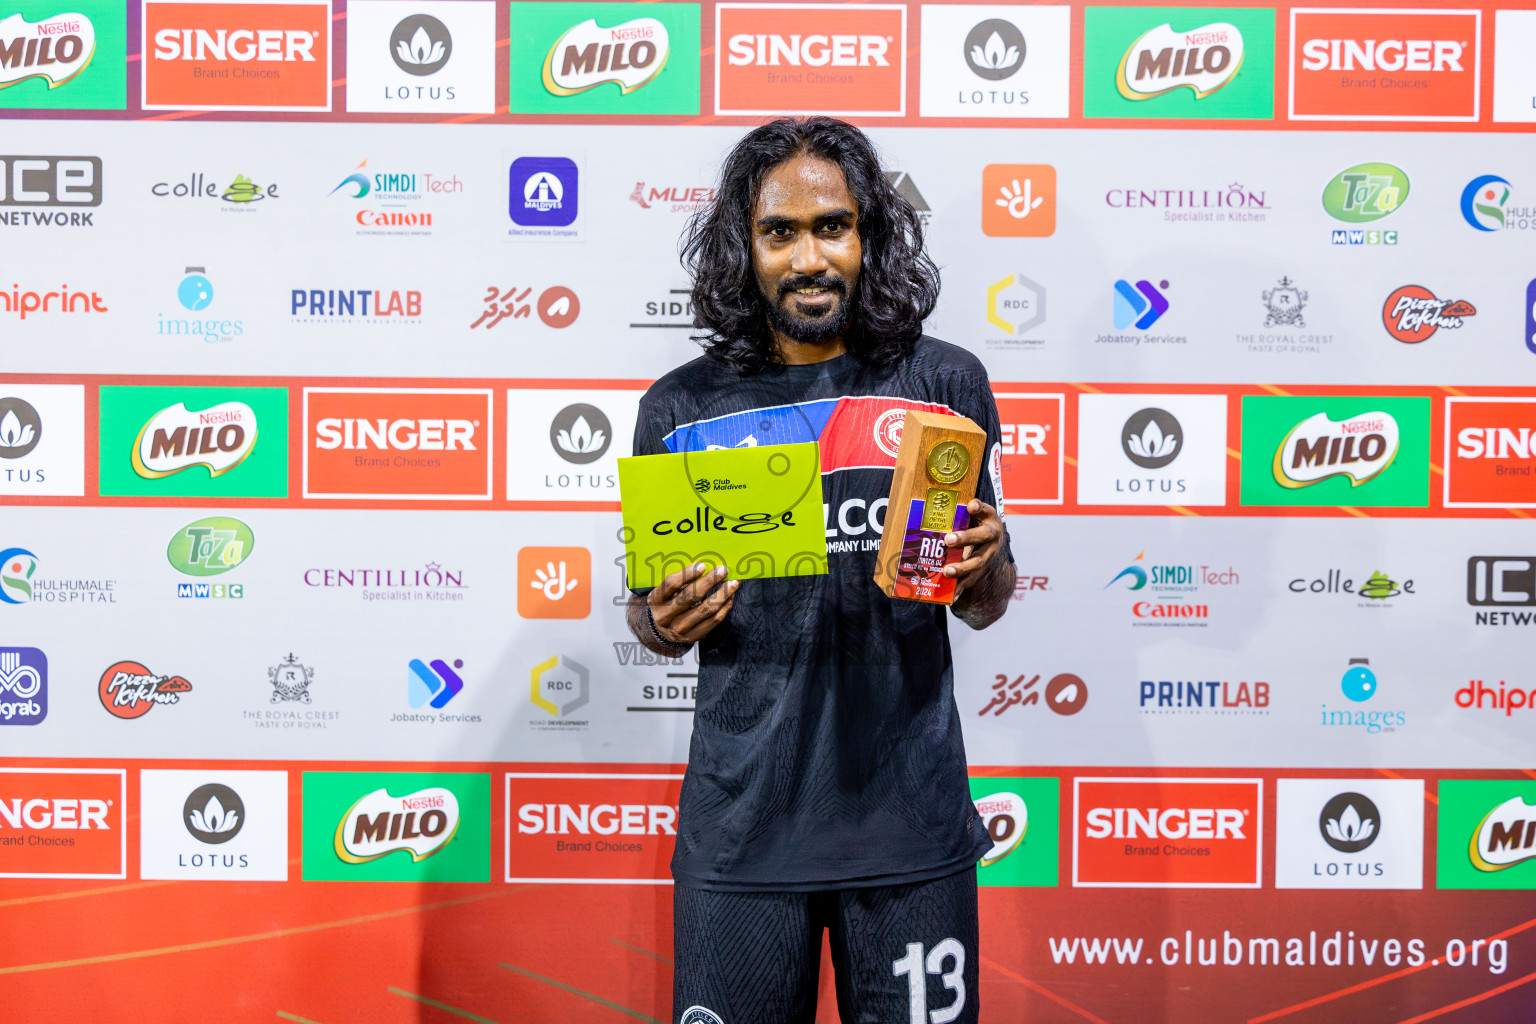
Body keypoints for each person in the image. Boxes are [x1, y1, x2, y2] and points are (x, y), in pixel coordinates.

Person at [625, 116, 1017, 1024]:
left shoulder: (944, 383)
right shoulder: (678, 407)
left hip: (911, 830)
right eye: (780, 232)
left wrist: (981, 565)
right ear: (744, 245)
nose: (809, 258)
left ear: (869, 233)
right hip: (743, 839)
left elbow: (986, 605)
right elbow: (649, 618)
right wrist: (662, 619)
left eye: (832, 226)